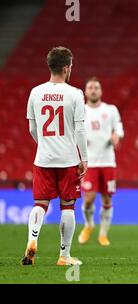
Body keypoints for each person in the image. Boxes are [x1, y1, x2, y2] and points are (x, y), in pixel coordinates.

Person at [22, 46, 88, 266]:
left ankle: (32, 241)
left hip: (43, 158)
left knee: (40, 203)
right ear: (66, 68)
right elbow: (79, 130)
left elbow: (32, 128)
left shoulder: (35, 92)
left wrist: (45, 145)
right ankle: (64, 256)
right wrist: (84, 158)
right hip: (68, 159)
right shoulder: (75, 94)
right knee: (67, 206)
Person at [78, 77, 124, 246]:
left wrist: (116, 136)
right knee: (88, 199)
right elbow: (75, 131)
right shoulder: (81, 111)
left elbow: (119, 129)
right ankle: (89, 224)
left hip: (108, 162)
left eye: (96, 87)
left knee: (106, 200)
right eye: (90, 87)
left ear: (101, 91)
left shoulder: (111, 110)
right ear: (85, 91)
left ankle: (103, 234)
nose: (93, 90)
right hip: (90, 162)